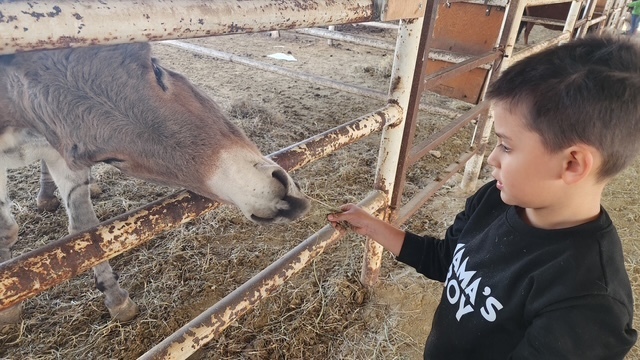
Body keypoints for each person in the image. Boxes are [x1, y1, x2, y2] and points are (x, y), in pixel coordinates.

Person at [328, 35, 640, 359]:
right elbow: (446, 260)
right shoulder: (494, 199)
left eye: (506, 145)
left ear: (572, 163)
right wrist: (373, 227)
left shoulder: (587, 304)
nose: (492, 158)